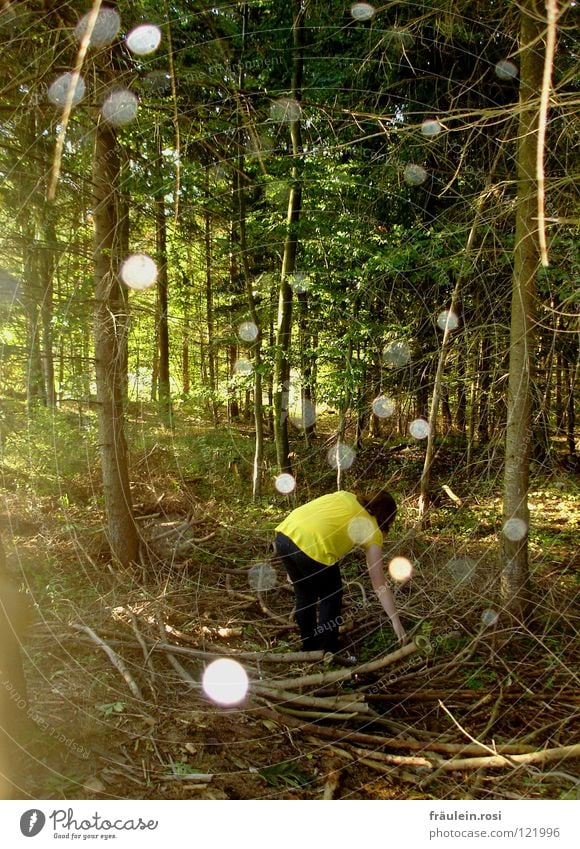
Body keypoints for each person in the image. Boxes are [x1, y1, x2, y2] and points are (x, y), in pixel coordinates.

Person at [274, 489, 407, 654]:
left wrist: (294, 565)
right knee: (331, 597)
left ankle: (308, 646)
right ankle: (327, 649)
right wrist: (396, 620)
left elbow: (317, 518)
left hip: (285, 534)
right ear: (387, 518)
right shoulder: (373, 530)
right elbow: (378, 583)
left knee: (305, 595)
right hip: (312, 547)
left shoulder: (345, 495)